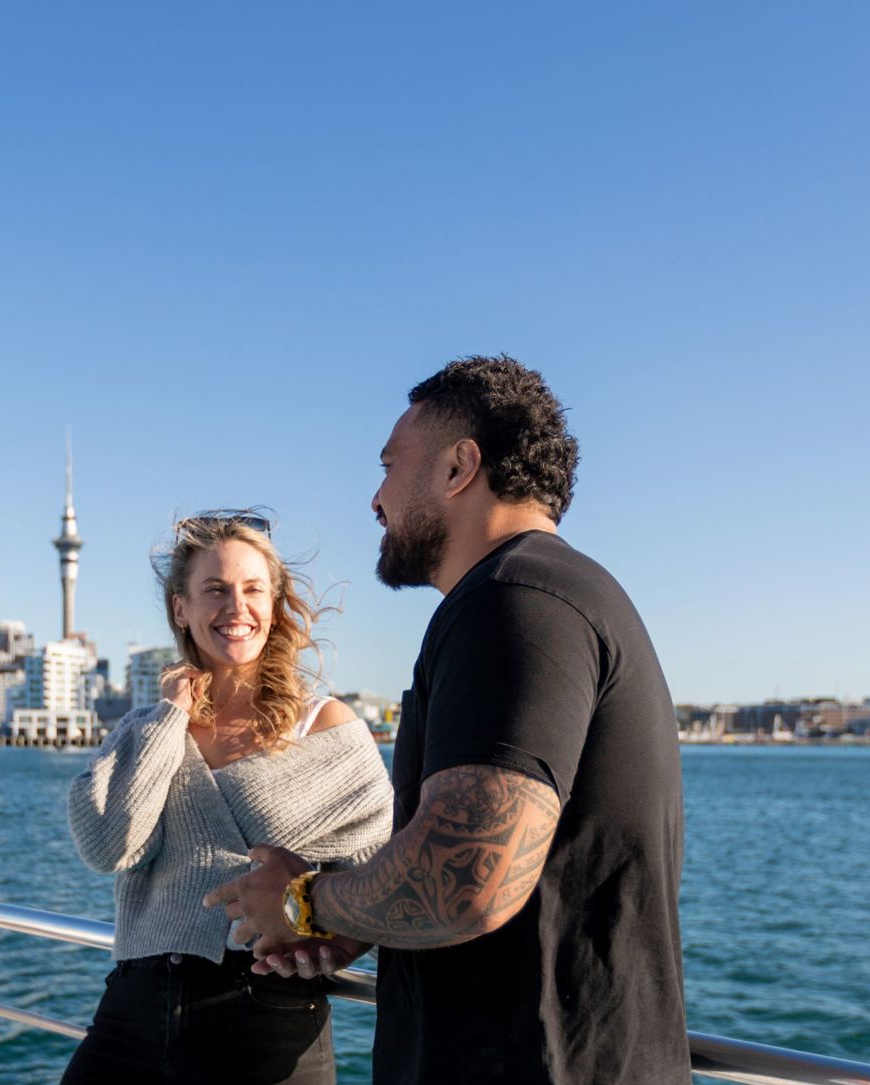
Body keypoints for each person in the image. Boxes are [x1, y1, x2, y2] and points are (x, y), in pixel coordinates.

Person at [207, 357, 689, 1084]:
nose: (375, 498)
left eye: (389, 465)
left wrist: (302, 900)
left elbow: (471, 876)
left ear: (459, 466)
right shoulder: (546, 595)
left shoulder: (516, 601)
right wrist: (352, 920)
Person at [64, 512, 393, 1085]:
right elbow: (106, 846)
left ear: (274, 605)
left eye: (252, 590)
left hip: (267, 1015)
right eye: (214, 590)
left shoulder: (327, 727)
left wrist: (336, 944)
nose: (235, 608)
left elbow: (381, 874)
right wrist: (171, 716)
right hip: (132, 1012)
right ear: (180, 610)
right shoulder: (143, 728)